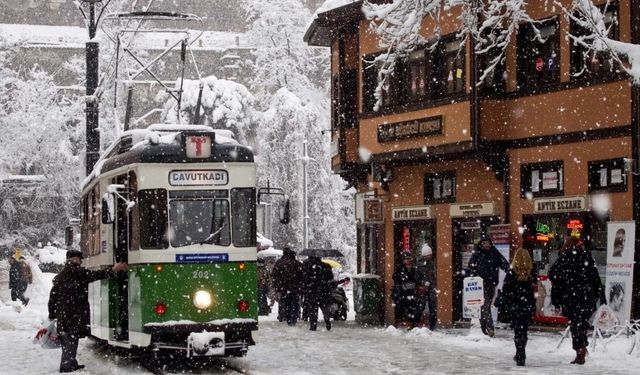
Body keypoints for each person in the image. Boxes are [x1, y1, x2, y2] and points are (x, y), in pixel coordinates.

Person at [48, 250, 128, 373]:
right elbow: (95, 275)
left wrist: (52, 314)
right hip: (73, 315)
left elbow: (52, 297)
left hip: (64, 315)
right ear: (74, 259)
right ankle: (67, 366)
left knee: (68, 340)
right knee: (71, 340)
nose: (81, 261)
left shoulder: (61, 275)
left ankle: (71, 362)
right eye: (80, 259)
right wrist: (113, 269)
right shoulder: (76, 272)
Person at [548, 237, 605, 365]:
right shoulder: (586, 257)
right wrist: (600, 295)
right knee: (581, 324)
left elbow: (552, 275)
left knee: (576, 324)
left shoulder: (564, 258)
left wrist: (558, 295)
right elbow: (595, 278)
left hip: (571, 298)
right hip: (586, 297)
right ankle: (582, 348)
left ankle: (580, 351)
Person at [496, 248, 536, 366]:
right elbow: (532, 290)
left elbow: (506, 289)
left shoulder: (512, 272)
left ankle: (520, 353)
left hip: (515, 305)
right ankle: (521, 351)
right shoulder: (531, 272)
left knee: (518, 330)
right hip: (527, 305)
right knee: (523, 330)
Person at [468, 234, 509, 337]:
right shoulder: (478, 253)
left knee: (485, 305)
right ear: (481, 244)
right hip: (481, 284)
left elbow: (503, 263)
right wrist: (474, 275)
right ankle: (490, 328)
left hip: (492, 284)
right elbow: (471, 265)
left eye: (488, 243)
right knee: (485, 306)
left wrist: (510, 272)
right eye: (484, 243)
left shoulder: (494, 252)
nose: (487, 245)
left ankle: (483, 326)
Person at [271, 247, 303, 326]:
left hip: (283, 288)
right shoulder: (297, 264)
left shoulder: (279, 263)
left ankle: (284, 316)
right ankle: (293, 318)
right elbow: (302, 276)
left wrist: (277, 286)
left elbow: (274, 275)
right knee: (294, 303)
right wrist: (300, 286)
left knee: (284, 302)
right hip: (295, 288)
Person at [302, 255, 334, 331]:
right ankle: (327, 320)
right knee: (324, 307)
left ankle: (313, 325)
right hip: (323, 291)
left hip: (311, 291)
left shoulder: (308, 267)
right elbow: (331, 277)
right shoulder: (326, 266)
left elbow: (304, 279)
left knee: (312, 309)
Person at [392, 253, 420, 327]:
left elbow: (416, 279)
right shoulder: (400, 268)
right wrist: (400, 284)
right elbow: (395, 277)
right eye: (406, 259)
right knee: (399, 307)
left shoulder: (414, 269)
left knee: (412, 307)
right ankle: (397, 322)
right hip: (401, 292)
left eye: (409, 259)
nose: (408, 261)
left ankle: (412, 323)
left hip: (411, 291)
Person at [416, 243, 437, 330]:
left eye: (430, 255)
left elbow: (433, 275)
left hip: (431, 287)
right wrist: (423, 283)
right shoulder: (420, 264)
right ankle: (416, 323)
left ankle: (432, 326)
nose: (429, 256)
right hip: (423, 288)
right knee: (421, 306)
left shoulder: (432, 263)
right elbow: (417, 277)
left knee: (432, 307)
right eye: (428, 255)